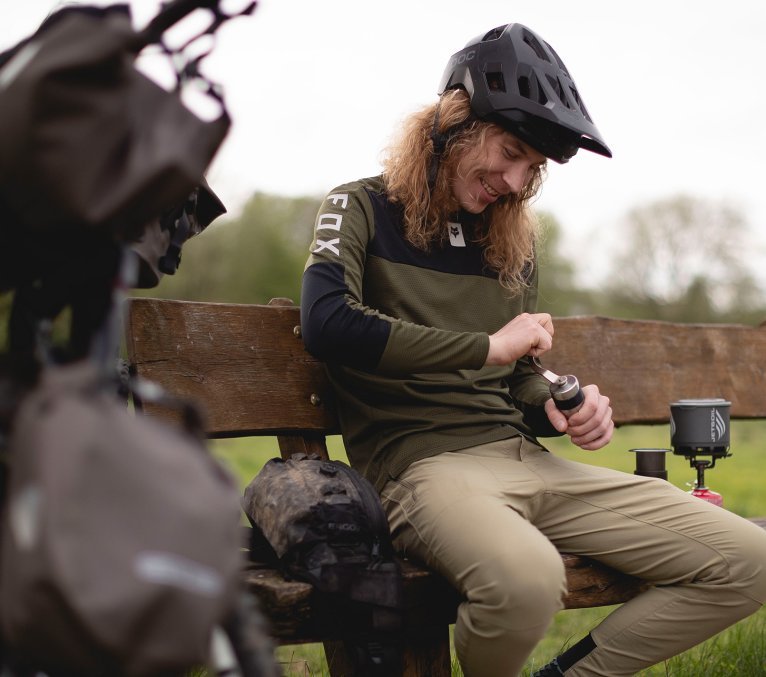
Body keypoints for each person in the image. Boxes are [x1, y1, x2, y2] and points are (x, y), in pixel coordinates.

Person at [300, 23, 766, 677]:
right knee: (526, 580)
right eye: (510, 150)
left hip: (532, 464)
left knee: (750, 559)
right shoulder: (357, 207)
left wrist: (558, 404)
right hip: (424, 472)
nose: (516, 182)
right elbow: (327, 323)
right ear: (455, 122)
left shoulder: (508, 239)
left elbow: (517, 377)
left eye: (534, 168)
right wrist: (486, 346)